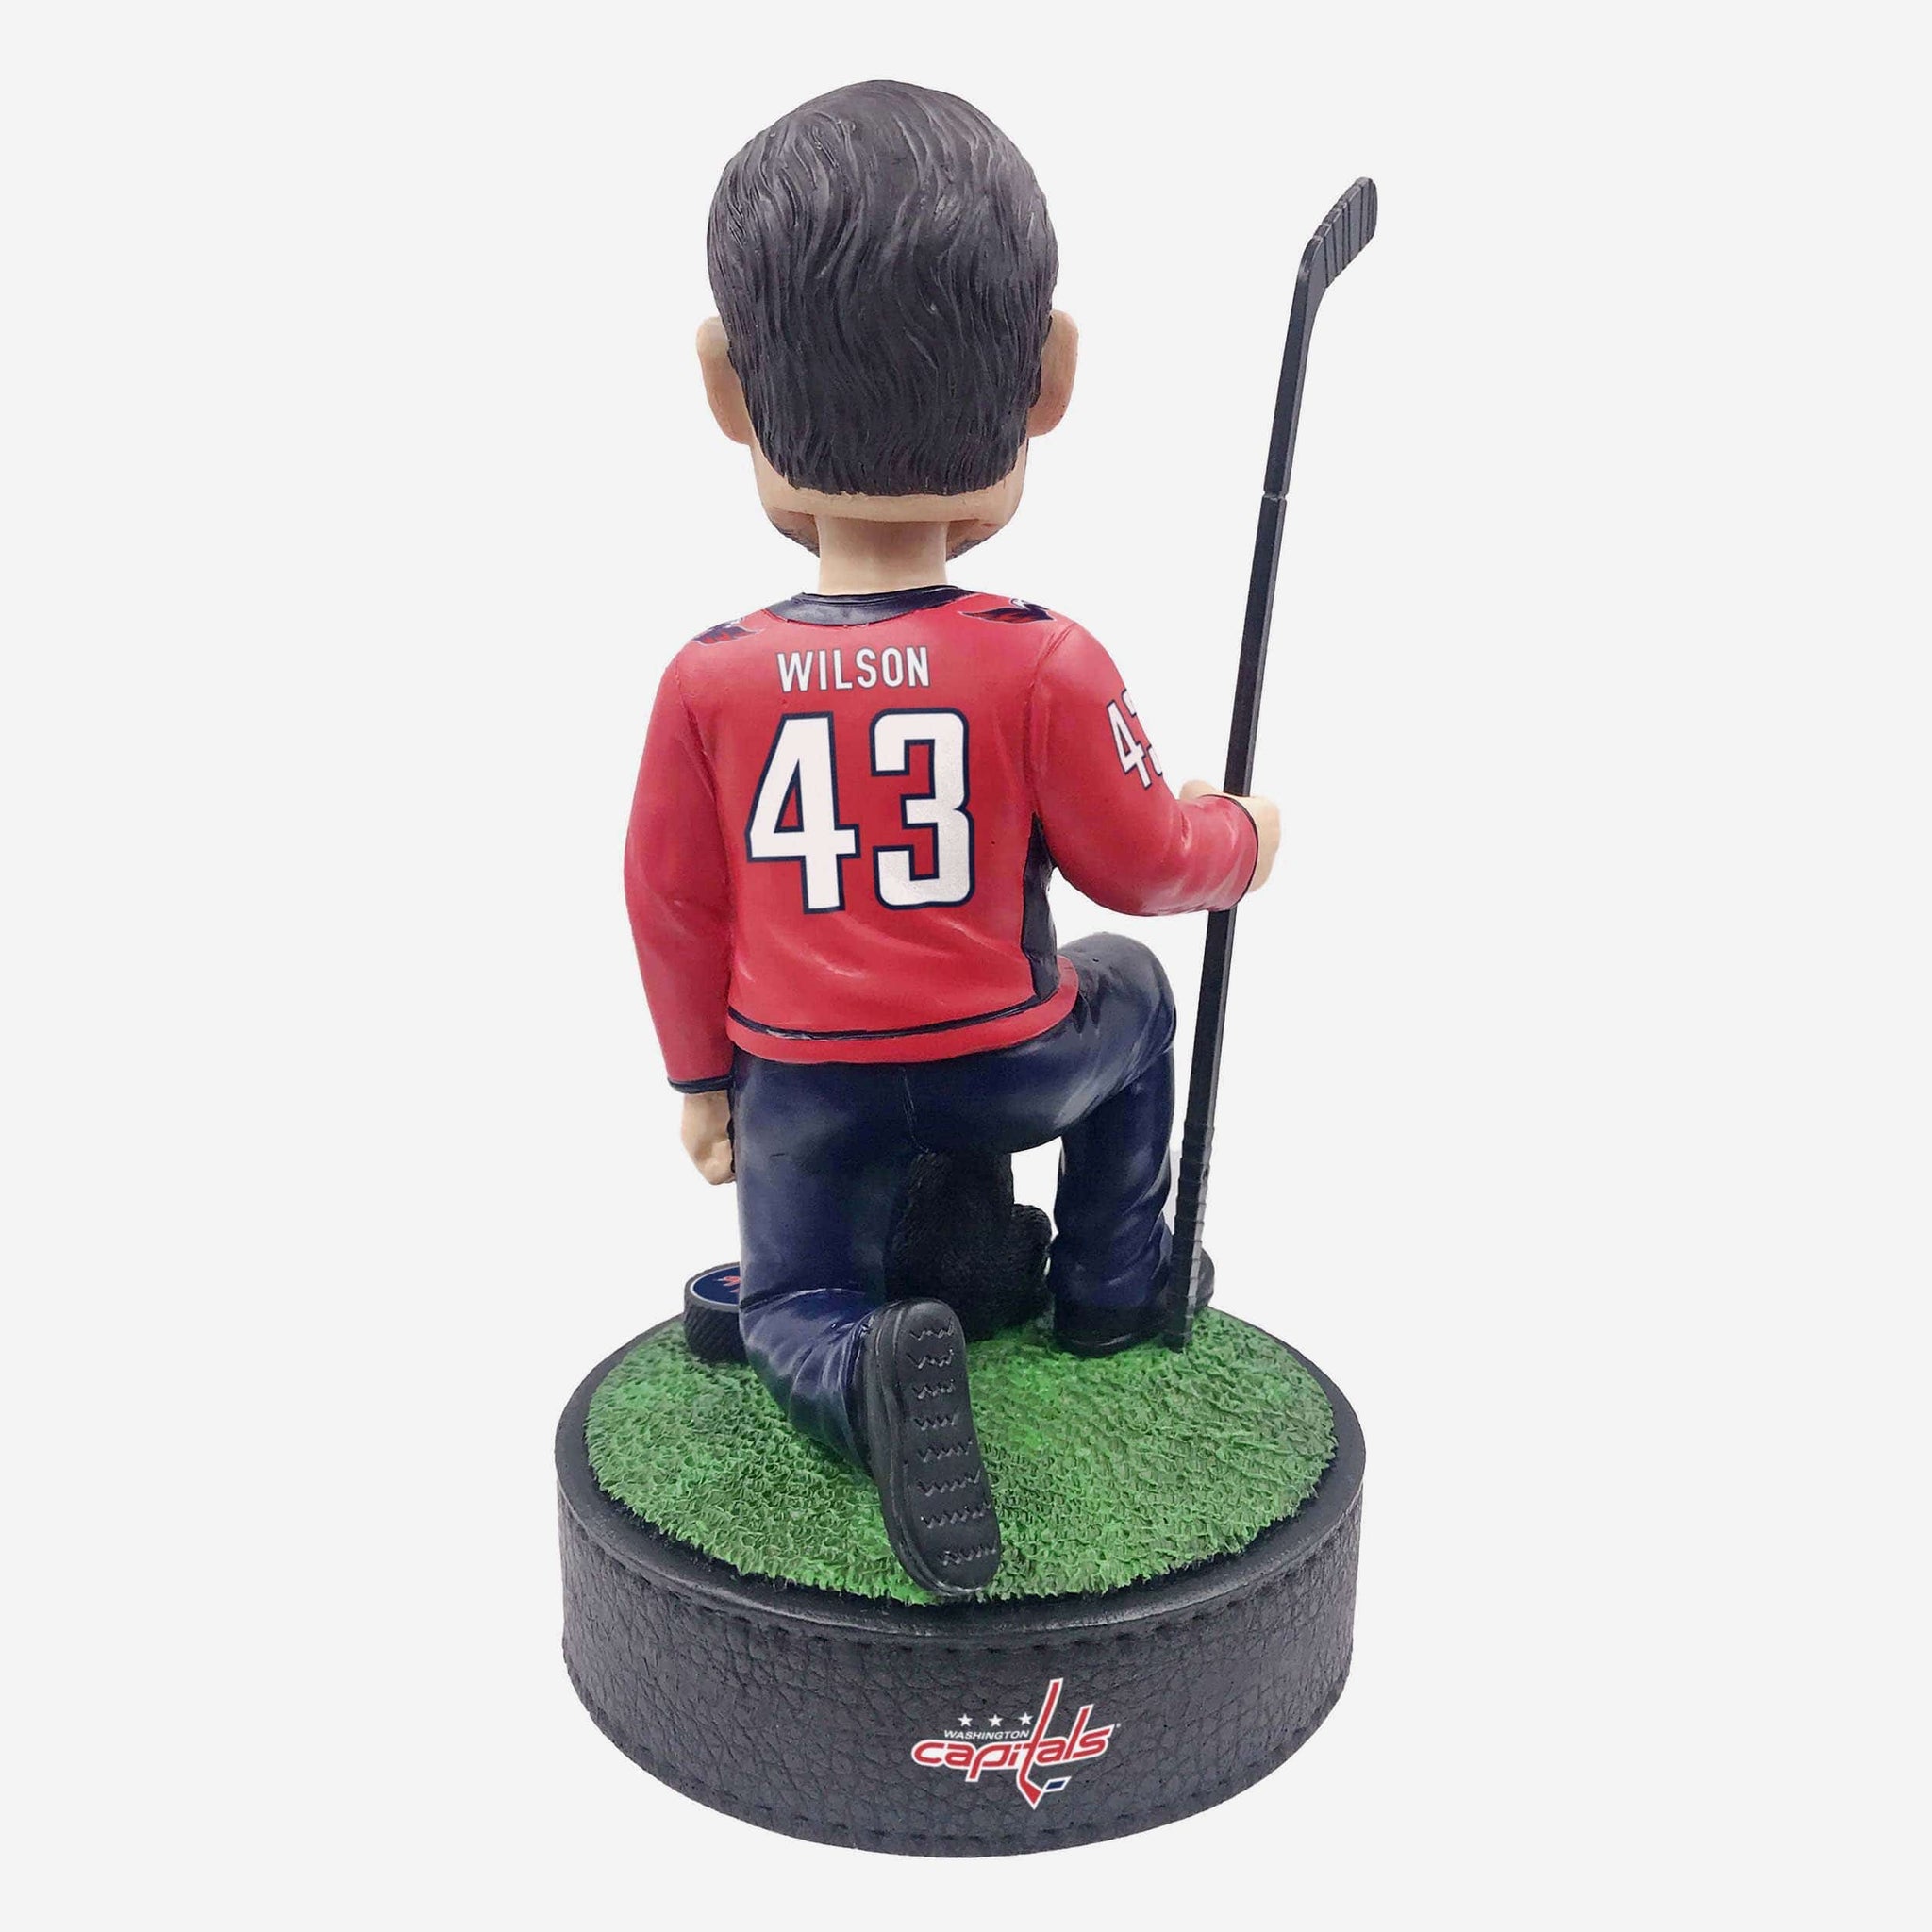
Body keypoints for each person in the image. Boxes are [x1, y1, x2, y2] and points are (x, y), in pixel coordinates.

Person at [625, 80, 1280, 1597]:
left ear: (729, 388)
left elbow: (670, 902)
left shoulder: (709, 679)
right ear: (1049, 378)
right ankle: (1111, 1286)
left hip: (802, 1085)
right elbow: (1144, 865)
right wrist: (1240, 838)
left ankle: (853, 1364)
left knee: (787, 1299)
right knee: (1137, 995)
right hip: (1005, 1065)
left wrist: (702, 1080)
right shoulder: (1040, 658)